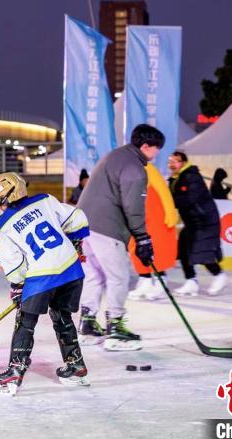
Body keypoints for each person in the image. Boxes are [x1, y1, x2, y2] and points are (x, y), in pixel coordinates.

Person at [0, 172, 90, 396]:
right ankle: (75, 365)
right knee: (62, 316)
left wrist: (17, 288)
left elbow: (15, 267)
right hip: (71, 270)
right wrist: (76, 243)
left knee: (25, 321)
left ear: (7, 197)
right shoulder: (44, 200)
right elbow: (78, 218)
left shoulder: (1, 228)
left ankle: (15, 371)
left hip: (42, 276)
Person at [76, 124, 164, 351]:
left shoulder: (115, 156)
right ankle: (115, 328)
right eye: (157, 148)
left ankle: (87, 324)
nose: (157, 153)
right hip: (107, 228)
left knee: (94, 276)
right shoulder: (135, 168)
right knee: (118, 277)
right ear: (145, 146)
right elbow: (133, 207)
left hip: (85, 226)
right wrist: (142, 237)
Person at [168, 151, 227, 296]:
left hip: (204, 220)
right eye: (170, 161)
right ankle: (191, 281)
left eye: (175, 161)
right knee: (183, 249)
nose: (172, 164)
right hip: (192, 221)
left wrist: (169, 203)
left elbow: (190, 198)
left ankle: (219, 275)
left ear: (183, 162)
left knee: (201, 252)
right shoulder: (175, 179)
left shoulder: (191, 176)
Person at [127, 163, 178, 301]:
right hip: (139, 219)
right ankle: (145, 280)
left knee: (157, 248)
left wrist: (170, 213)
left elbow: (163, 192)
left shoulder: (148, 170)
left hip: (155, 217)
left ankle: (161, 280)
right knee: (136, 249)